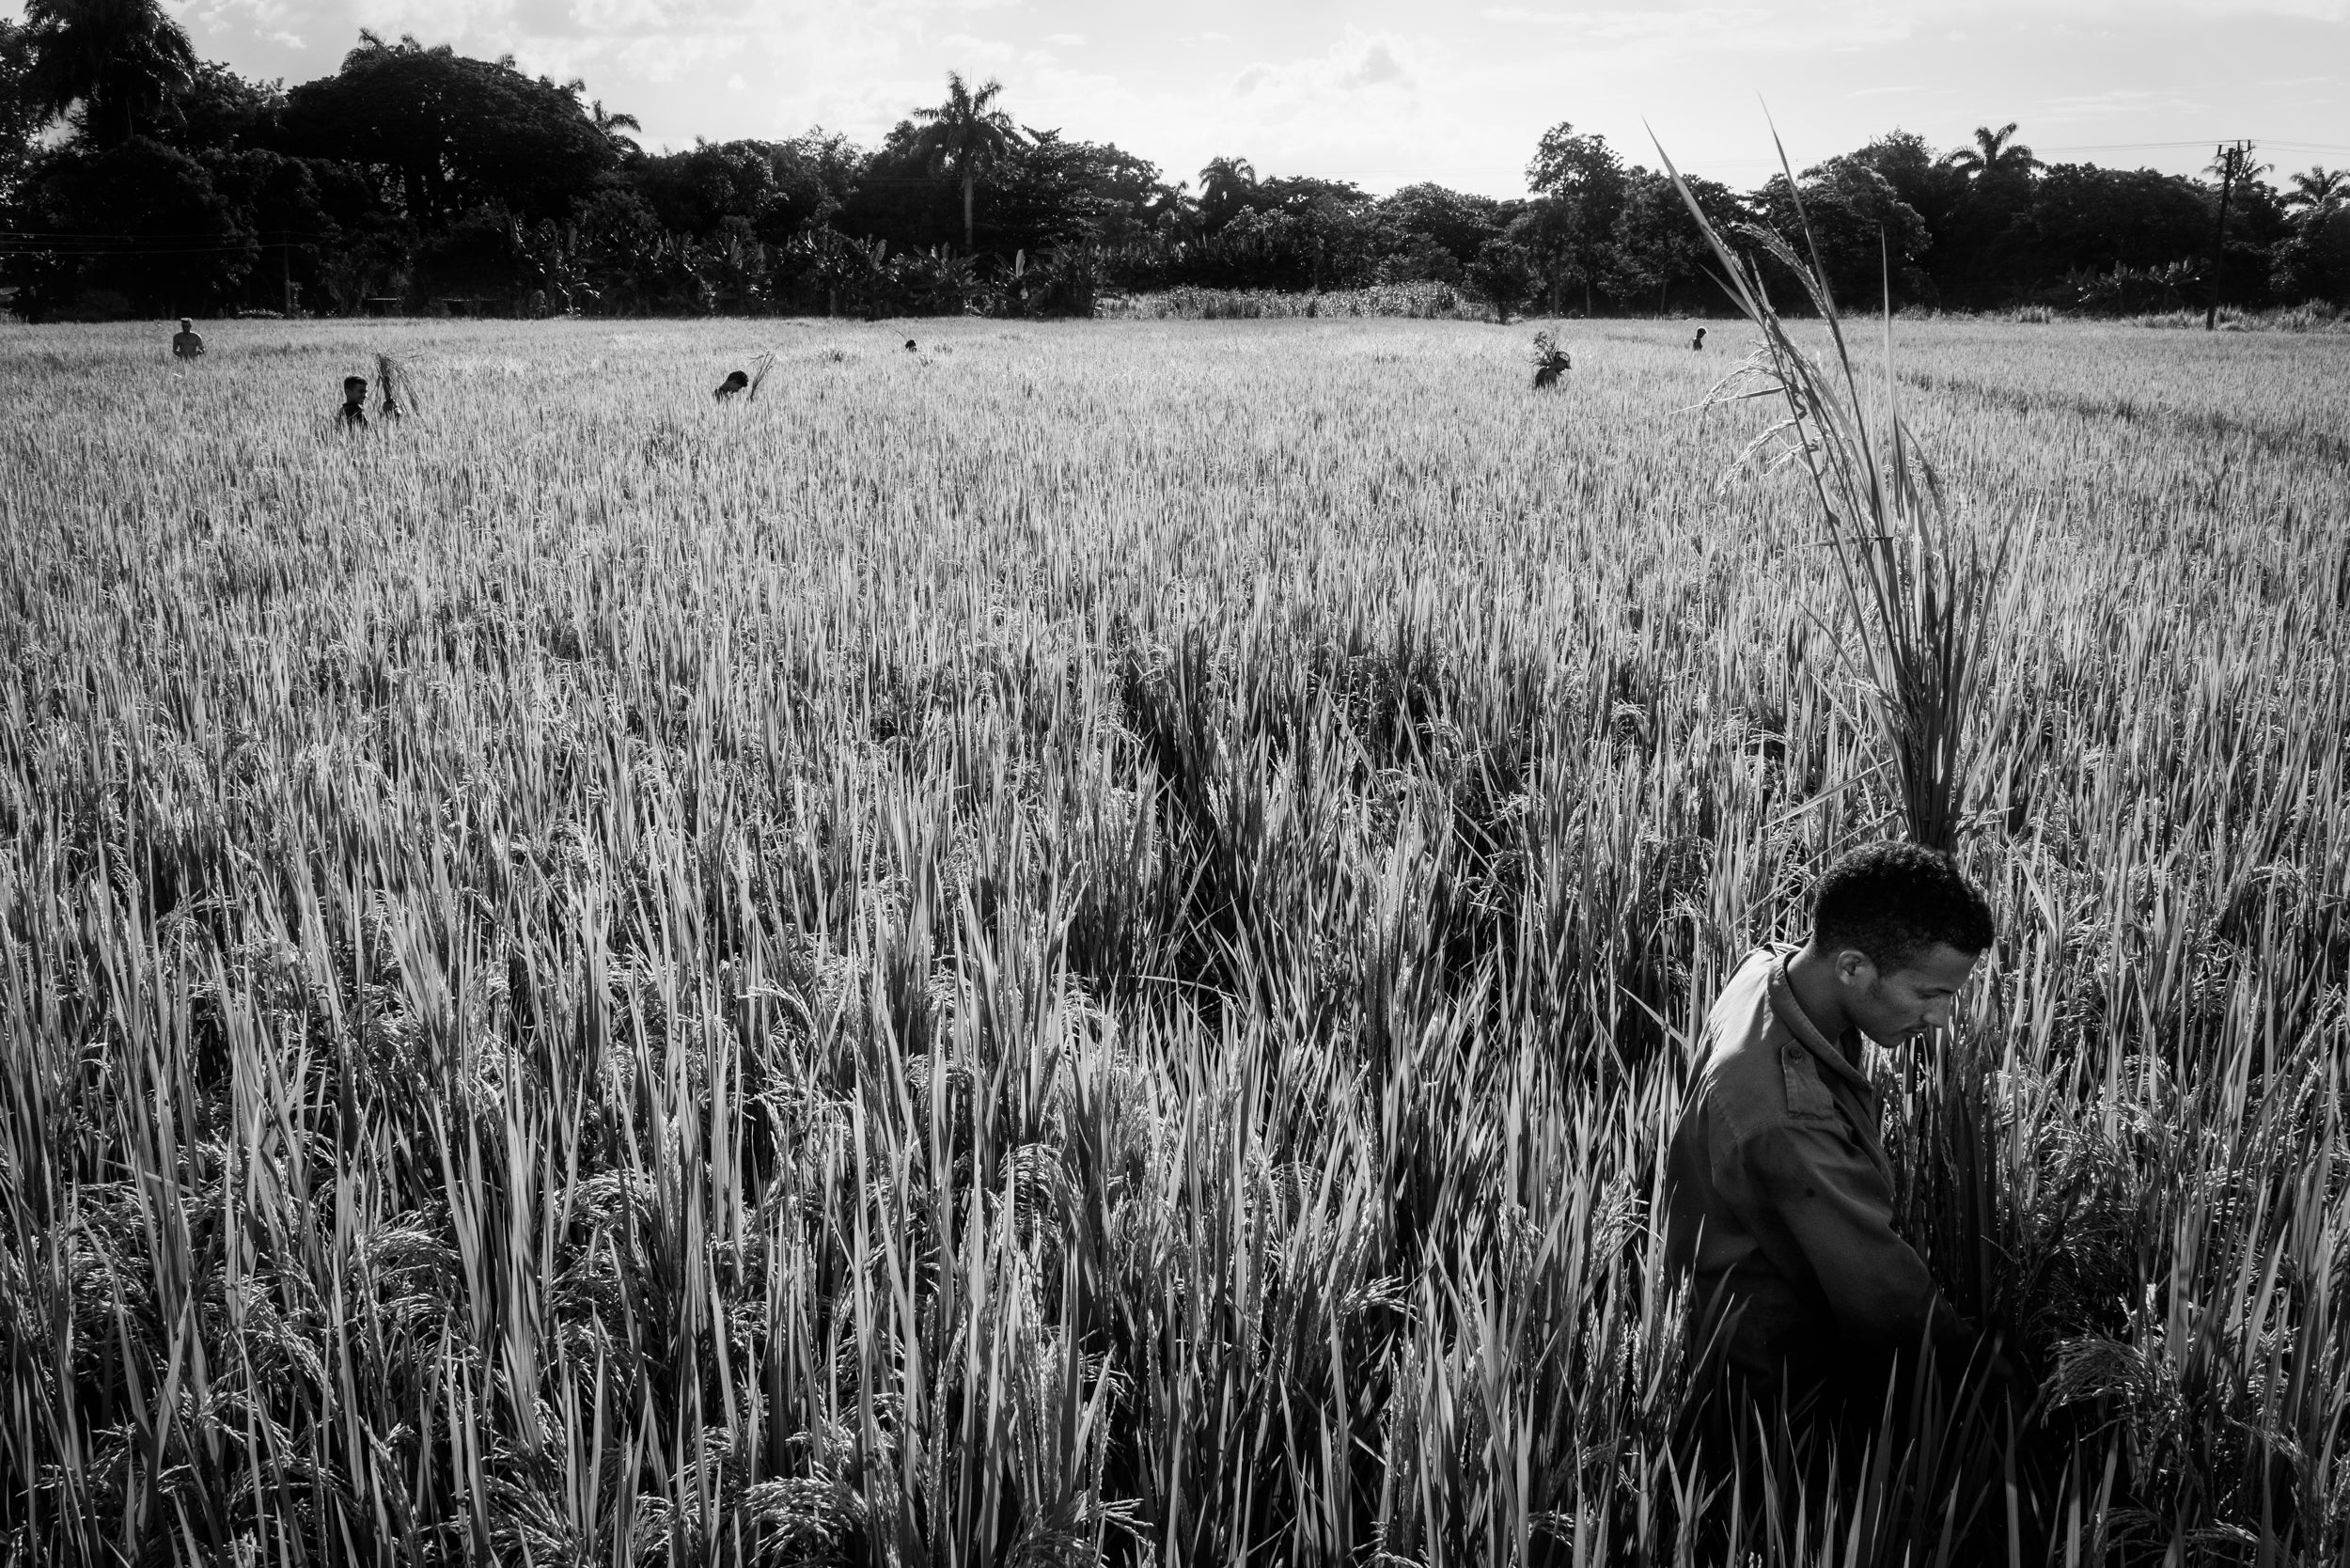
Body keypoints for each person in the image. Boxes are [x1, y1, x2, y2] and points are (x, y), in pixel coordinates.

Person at [1663, 840, 2013, 1405]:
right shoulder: (1786, 1119)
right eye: (1929, 994)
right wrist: (2003, 1396)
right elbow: (1885, 1304)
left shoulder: (1770, 972)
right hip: (1781, 1401)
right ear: (1852, 966)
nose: (1942, 1019)